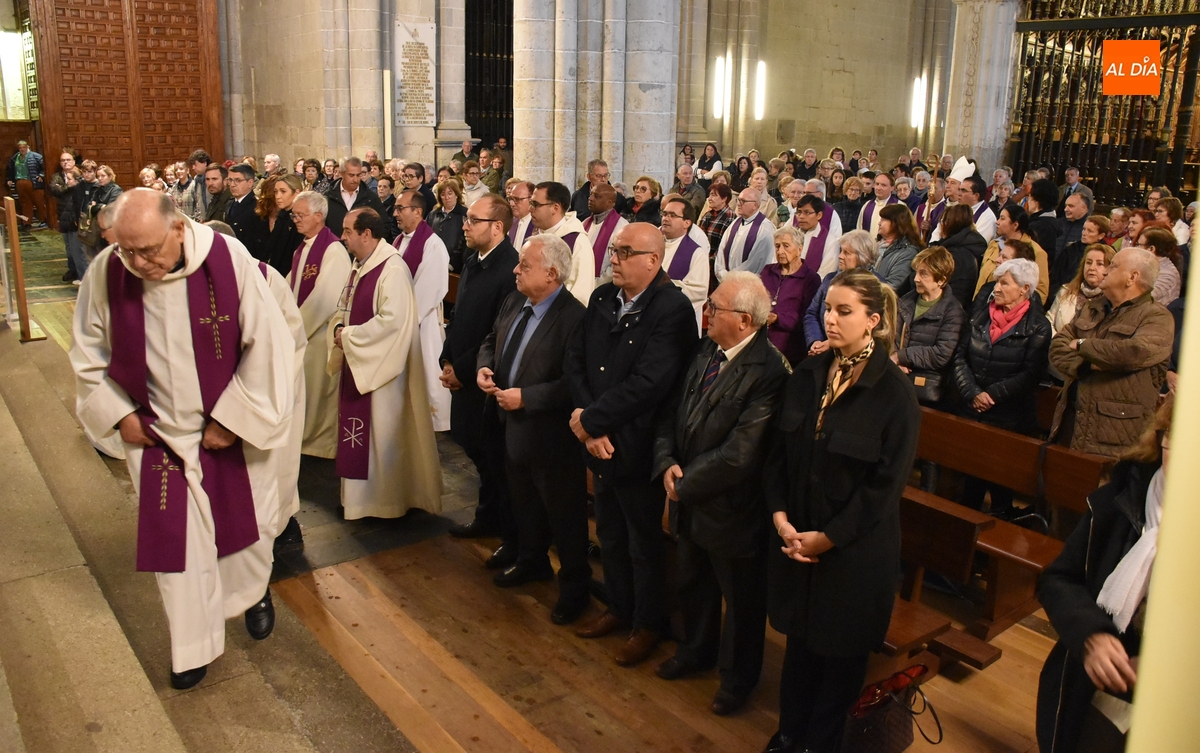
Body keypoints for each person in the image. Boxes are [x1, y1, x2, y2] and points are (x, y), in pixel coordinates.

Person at [71, 189, 295, 689]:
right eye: (127, 250)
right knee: (177, 549)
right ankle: (191, 648)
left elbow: (268, 345)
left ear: (178, 228)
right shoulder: (108, 272)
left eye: (148, 250)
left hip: (228, 430)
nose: (138, 263)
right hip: (158, 437)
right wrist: (119, 412)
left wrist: (233, 420)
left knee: (246, 533)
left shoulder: (228, 260)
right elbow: (88, 350)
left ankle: (252, 593)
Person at [762, 268, 919, 753]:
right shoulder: (808, 374)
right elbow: (777, 457)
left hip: (853, 553)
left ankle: (819, 743)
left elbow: (883, 489)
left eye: (844, 311)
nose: (830, 319)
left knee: (840, 661)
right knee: (800, 650)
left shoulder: (894, 393)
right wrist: (781, 518)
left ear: (873, 320)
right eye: (828, 309)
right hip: (798, 538)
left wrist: (827, 538)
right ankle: (789, 734)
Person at [653, 272, 787, 716]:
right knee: (693, 581)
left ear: (745, 320)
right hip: (690, 492)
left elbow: (740, 454)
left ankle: (737, 679)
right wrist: (666, 459)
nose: (707, 312)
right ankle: (695, 651)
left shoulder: (769, 371)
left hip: (733, 507)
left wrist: (684, 483)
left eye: (716, 307)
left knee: (742, 600)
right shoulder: (706, 349)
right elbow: (674, 410)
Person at [566, 222, 698, 666]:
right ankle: (619, 607)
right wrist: (589, 425)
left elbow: (651, 382)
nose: (614, 259)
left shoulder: (672, 309)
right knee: (609, 532)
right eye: (614, 250)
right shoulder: (604, 297)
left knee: (644, 543)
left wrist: (592, 422)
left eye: (625, 252)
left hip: (638, 445)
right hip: (599, 440)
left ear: (653, 260)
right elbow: (577, 359)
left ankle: (648, 623)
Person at [1037, 397, 1173, 753]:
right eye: (1175, 439)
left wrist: (1167, 663)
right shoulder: (1123, 496)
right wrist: (1092, 636)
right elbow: (1058, 579)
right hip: (1098, 687)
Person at [475, 234, 592, 622]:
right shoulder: (516, 300)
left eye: (525, 265)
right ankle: (532, 560)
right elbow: (491, 338)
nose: (516, 270)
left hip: (549, 434)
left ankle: (574, 588)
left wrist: (527, 397)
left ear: (552, 274)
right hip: (507, 423)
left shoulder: (575, 318)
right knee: (521, 501)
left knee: (564, 515)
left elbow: (574, 382)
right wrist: (485, 366)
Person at [333, 207, 443, 519]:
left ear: (366, 234)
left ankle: (385, 503)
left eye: (348, 231)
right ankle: (359, 501)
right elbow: (345, 306)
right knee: (362, 436)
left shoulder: (391, 269)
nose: (343, 237)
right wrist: (339, 327)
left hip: (384, 374)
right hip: (362, 364)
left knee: (381, 436)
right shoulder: (361, 265)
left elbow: (393, 324)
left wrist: (349, 336)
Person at [442, 196, 521, 554]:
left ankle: (505, 528)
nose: (465, 225)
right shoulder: (474, 260)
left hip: (484, 376)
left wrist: (461, 369)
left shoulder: (510, 269)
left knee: (492, 456)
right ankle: (489, 516)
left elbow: (497, 332)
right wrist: (447, 358)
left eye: (474, 219)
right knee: (474, 448)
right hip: (461, 368)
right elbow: (459, 314)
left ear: (497, 227)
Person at [1049, 247, 1174, 459]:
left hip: (1115, 436)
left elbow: (1132, 353)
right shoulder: (1092, 308)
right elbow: (1058, 346)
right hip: (1070, 424)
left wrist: (1082, 345)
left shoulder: (1157, 318)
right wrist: (1086, 365)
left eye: (1113, 266)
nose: (1105, 270)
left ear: (1132, 277)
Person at [953, 258, 1051, 515]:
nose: (996, 288)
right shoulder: (980, 316)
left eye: (1004, 283)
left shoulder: (1038, 326)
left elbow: (1030, 373)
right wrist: (973, 392)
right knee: (970, 481)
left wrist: (991, 395)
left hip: (1010, 416)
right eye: (997, 282)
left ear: (1024, 289)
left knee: (1000, 484)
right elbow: (960, 357)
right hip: (973, 409)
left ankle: (1000, 522)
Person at [285, 191, 352, 459]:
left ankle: (319, 444)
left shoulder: (332, 250)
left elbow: (325, 299)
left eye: (300, 215)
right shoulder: (303, 247)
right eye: (294, 215)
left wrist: (295, 328)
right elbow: (289, 286)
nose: (296, 220)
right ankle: (303, 439)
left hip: (317, 335)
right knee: (305, 392)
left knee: (316, 393)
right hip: (302, 333)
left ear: (318, 216)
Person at [392, 190, 452, 432]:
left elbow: (430, 288)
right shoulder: (398, 241)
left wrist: (402, 320)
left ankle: (431, 425)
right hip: (400, 318)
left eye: (400, 208)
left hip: (422, 322)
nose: (395, 213)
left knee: (426, 372)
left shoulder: (432, 244)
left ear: (417, 211)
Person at [895, 246, 966, 407]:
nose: (916, 279)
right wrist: (895, 360)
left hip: (923, 390)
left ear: (941, 280)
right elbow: (891, 335)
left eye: (924, 274)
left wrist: (901, 357)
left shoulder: (953, 312)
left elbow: (941, 353)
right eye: (916, 272)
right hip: (896, 377)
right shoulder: (905, 301)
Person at [805, 230, 879, 352]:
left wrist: (831, 343)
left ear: (862, 257)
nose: (840, 256)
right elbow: (812, 314)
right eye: (841, 251)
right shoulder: (829, 280)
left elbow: (877, 328)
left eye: (846, 253)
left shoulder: (876, 286)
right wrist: (816, 341)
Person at [760, 226, 821, 365]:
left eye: (786, 246)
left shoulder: (810, 278)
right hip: (761, 344)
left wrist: (778, 318)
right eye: (777, 246)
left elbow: (808, 316)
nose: (780, 251)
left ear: (799, 249)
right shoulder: (767, 271)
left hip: (790, 348)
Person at [530, 181, 595, 304]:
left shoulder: (577, 242)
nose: (530, 209)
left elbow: (581, 292)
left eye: (535, 204)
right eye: (531, 203)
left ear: (555, 208)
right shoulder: (536, 235)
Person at [976, 204, 1049, 304]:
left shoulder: (1037, 252)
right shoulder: (994, 244)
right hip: (983, 304)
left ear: (1015, 225)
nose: (997, 222)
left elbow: (1040, 291)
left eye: (1002, 219)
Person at [660, 196, 710, 331]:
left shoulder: (696, 253)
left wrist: (660, 285)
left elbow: (698, 291)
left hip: (677, 321)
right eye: (664, 214)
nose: (665, 218)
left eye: (672, 215)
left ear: (687, 223)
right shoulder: (652, 243)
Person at [1047, 243, 1114, 336]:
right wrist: (1059, 341)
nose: (1092, 268)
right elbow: (1049, 321)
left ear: (1110, 269)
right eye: (1089, 262)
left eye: (1099, 264)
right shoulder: (1066, 291)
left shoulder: (1112, 301)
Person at [714, 188, 775, 282]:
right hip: (726, 281)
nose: (738, 204)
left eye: (743, 201)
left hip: (747, 283)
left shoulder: (765, 228)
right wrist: (722, 272)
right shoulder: (735, 223)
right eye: (738, 200)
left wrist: (731, 277)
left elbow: (756, 262)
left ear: (755, 205)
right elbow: (721, 249)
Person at [1053, 214, 1110, 302]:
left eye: (1090, 231)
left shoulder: (1108, 254)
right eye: (1084, 229)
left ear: (1101, 236)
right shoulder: (1070, 250)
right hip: (1065, 296)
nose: (1084, 233)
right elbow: (1055, 275)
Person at [257, 175, 304, 276]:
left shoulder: (300, 220)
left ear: (297, 192)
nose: (278, 196)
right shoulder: (282, 216)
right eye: (275, 191)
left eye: (283, 191)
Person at [48, 155, 85, 281]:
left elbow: (67, 190)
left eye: (68, 160)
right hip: (62, 214)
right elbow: (55, 190)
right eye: (63, 160)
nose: (66, 162)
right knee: (69, 247)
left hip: (74, 218)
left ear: (74, 161)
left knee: (77, 249)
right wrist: (69, 187)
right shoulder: (57, 176)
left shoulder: (79, 176)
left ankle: (82, 275)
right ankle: (72, 270)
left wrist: (67, 187)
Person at [323, 157, 385, 233]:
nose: (355, 179)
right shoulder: (328, 197)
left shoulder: (371, 198)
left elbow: (383, 224)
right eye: (351, 175)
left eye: (358, 175)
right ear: (342, 174)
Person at [872, 203, 924, 293]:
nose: (879, 223)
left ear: (896, 223)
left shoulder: (908, 252)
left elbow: (894, 285)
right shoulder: (877, 245)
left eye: (884, 220)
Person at [584, 183, 629, 283]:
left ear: (609, 203)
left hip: (603, 285)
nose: (590, 199)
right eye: (591, 194)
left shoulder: (622, 227)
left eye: (597, 196)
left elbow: (619, 262)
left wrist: (596, 285)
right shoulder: (585, 223)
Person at [790, 194, 841, 277]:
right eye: (799, 212)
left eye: (807, 212)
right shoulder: (790, 236)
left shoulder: (830, 242)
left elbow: (826, 274)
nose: (801, 217)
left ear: (819, 215)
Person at [224, 164, 268, 260]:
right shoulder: (229, 203)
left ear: (250, 182)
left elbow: (259, 242)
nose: (232, 184)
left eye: (238, 180)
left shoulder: (257, 207)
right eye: (230, 180)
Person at [430, 178, 469, 273]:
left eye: (450, 193)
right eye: (443, 194)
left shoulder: (465, 214)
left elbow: (466, 243)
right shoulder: (433, 214)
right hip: (433, 261)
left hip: (455, 266)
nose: (447, 197)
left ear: (456, 194)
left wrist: (452, 264)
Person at [7, 140, 47, 228]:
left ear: (27, 147)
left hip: (33, 182)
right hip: (20, 182)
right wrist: (10, 179)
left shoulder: (36, 156)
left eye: (24, 147)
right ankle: (27, 222)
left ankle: (44, 220)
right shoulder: (15, 158)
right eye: (20, 148)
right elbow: (10, 169)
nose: (22, 149)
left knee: (39, 201)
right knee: (25, 203)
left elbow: (45, 166)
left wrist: (41, 175)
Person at [1138, 227, 1182, 306]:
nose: (1137, 248)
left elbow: (1143, 298)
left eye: (1139, 245)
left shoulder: (1167, 274)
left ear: (1151, 249)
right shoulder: (1150, 266)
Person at [856, 171, 900, 237]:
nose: (878, 188)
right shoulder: (867, 205)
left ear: (892, 188)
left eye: (883, 185)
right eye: (877, 184)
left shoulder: (899, 206)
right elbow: (859, 229)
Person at [569, 159, 611, 223]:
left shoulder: (618, 198)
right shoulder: (578, 196)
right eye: (599, 176)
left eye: (605, 175)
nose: (603, 179)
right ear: (589, 177)